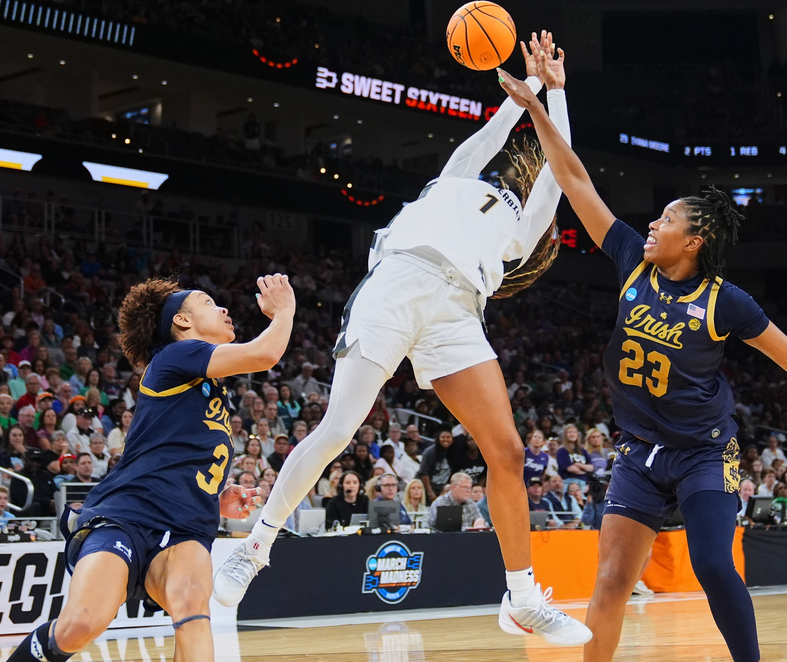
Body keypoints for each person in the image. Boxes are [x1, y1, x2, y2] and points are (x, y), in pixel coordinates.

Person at [497, 48, 787, 662]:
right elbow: (576, 180)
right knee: (610, 581)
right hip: (639, 455)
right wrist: (539, 108)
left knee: (714, 563)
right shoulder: (630, 260)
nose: (653, 224)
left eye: (666, 219)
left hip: (703, 453)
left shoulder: (725, 301)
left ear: (694, 241)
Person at [214, 33, 588, 646]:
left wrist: (560, 96)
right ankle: (255, 548)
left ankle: (521, 597)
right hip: (400, 280)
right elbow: (486, 142)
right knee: (338, 429)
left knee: (510, 454)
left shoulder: (519, 236)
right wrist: (527, 96)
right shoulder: (456, 182)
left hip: (460, 311)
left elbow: (561, 169)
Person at [4, 274, 293, 662]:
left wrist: (214, 496)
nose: (223, 308)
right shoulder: (175, 356)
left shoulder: (209, 385)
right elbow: (266, 354)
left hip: (187, 527)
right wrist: (285, 310)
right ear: (182, 322)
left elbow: (177, 454)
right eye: (208, 302)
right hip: (128, 515)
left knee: (193, 612)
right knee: (80, 626)